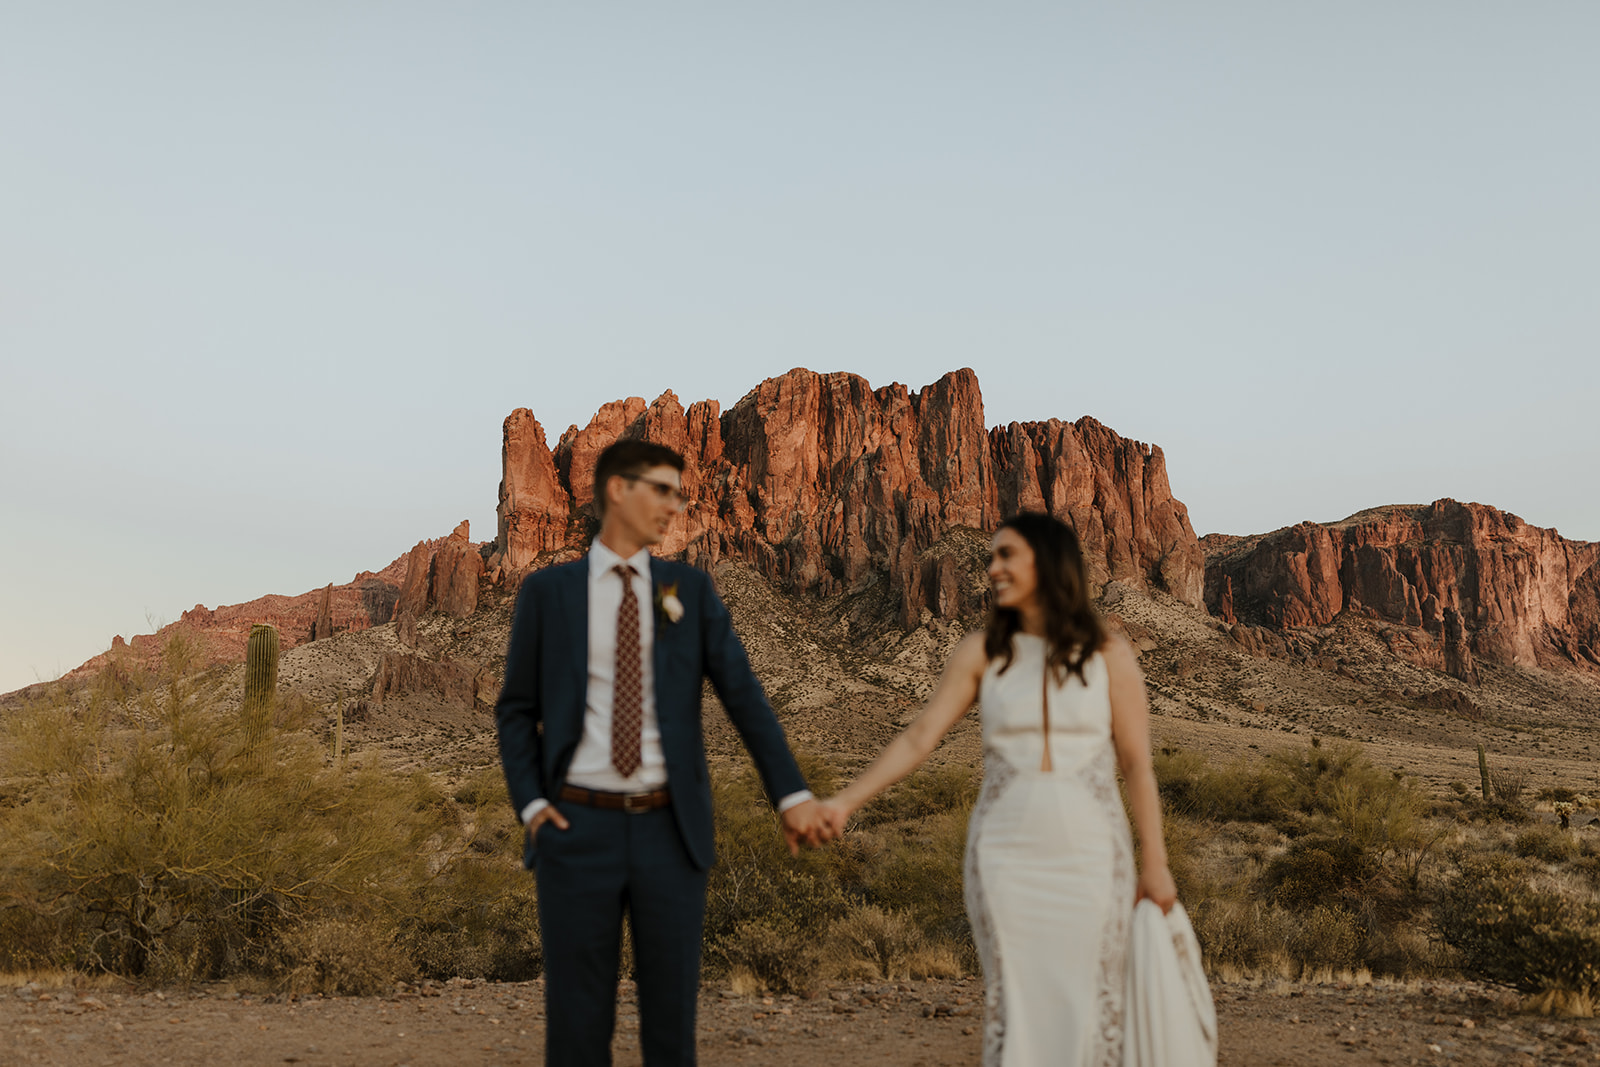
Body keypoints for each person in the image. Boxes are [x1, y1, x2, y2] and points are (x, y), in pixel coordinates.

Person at [496, 439, 828, 1067]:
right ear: (617, 489)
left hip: (670, 832)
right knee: (576, 1027)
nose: (674, 507)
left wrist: (792, 794)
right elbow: (516, 709)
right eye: (662, 489)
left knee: (671, 1029)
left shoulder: (690, 591)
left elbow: (745, 699)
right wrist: (533, 805)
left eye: (679, 493)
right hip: (575, 827)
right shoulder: (547, 593)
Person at [816, 512, 1177, 1067]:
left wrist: (1155, 862)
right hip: (1005, 852)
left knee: (1093, 999)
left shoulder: (1109, 653)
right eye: (990, 558)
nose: (992, 569)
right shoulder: (982, 651)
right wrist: (844, 801)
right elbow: (919, 739)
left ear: (1047, 561)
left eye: (1006, 555)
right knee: (1019, 1004)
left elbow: (1137, 766)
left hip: (1093, 851)